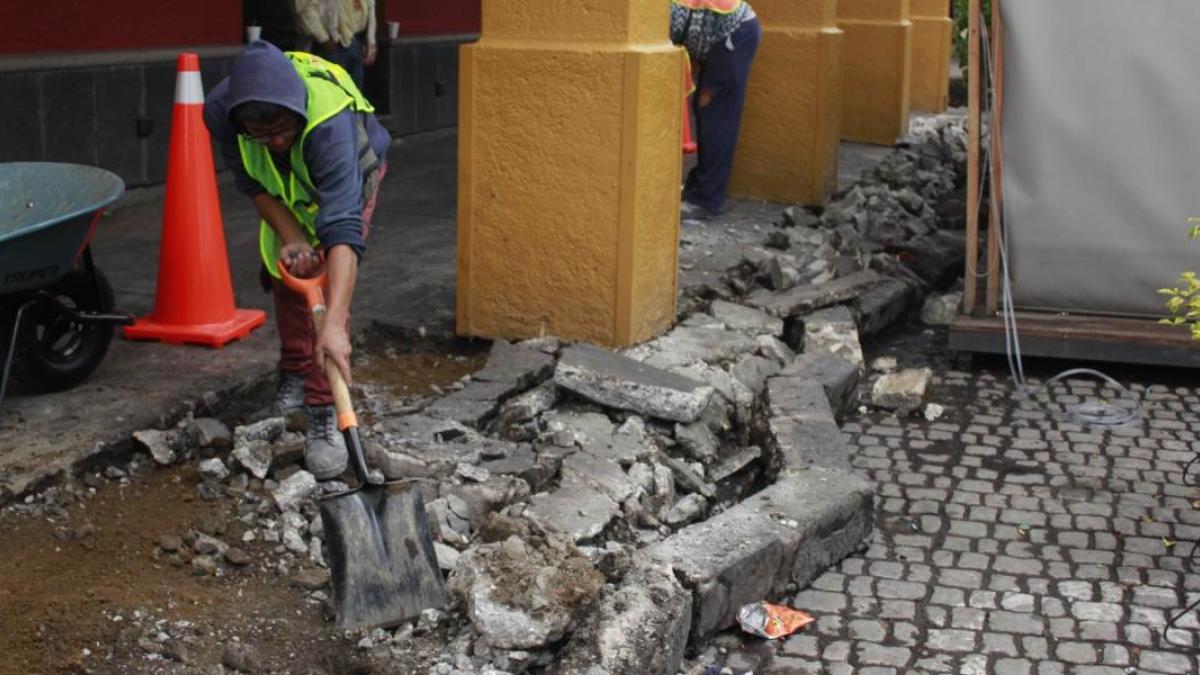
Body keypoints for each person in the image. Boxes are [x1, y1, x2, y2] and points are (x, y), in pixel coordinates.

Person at [203, 41, 391, 479]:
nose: (277, 140)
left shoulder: (329, 128)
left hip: (351, 173)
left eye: (284, 128)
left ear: (298, 111)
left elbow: (342, 227)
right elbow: (252, 185)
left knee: (327, 292)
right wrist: (291, 237)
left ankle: (324, 409)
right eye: (262, 134)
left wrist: (335, 323)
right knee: (289, 275)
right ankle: (293, 370)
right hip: (287, 190)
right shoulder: (221, 113)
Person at [670, 0, 761, 221]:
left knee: (714, 113)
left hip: (734, 33)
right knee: (706, 111)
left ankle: (705, 201)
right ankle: (698, 189)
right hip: (727, 33)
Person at [294, 0, 377, 90]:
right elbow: (306, 9)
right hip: (329, 45)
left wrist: (370, 40)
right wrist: (324, 40)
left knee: (355, 97)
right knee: (329, 95)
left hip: (357, 43)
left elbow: (370, 6)